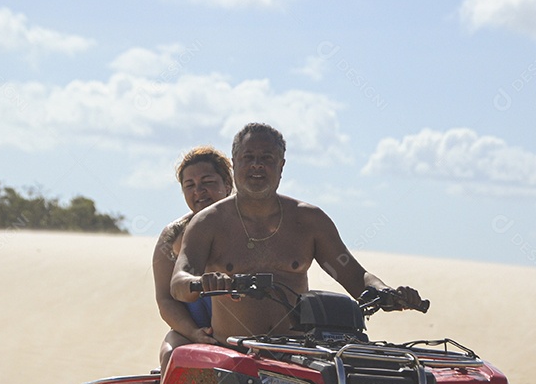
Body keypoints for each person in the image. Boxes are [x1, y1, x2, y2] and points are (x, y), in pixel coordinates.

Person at [171, 122, 421, 341]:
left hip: (299, 355)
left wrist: (387, 293)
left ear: (281, 165)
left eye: (267, 158)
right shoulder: (207, 223)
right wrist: (202, 283)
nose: (257, 165)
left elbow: (356, 277)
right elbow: (179, 281)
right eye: (248, 157)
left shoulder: (309, 220)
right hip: (234, 354)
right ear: (235, 163)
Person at [153, 145, 233, 369]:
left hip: (242, 334)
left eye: (207, 182)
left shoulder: (247, 229)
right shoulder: (173, 235)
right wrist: (195, 333)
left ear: (227, 185)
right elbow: (165, 299)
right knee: (171, 355)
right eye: (190, 185)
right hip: (191, 330)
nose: (198, 190)